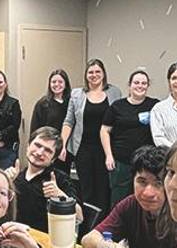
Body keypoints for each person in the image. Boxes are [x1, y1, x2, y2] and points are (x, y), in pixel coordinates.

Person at [80, 145, 177, 248]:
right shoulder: (130, 204)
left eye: (158, 183)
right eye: (142, 182)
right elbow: (88, 239)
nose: (148, 193)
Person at [62, 59, 123, 212]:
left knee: (104, 189)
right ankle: (87, 224)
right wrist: (62, 145)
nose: (94, 75)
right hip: (83, 148)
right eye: (90, 72)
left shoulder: (115, 92)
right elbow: (69, 121)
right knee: (86, 188)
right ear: (86, 75)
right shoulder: (77, 94)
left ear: (103, 74)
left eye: (97, 72)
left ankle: (102, 224)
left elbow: (119, 119)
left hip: (106, 149)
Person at [102, 70, 160, 208]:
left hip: (146, 164)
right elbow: (104, 130)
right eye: (136, 82)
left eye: (144, 83)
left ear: (147, 86)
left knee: (145, 201)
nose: (140, 86)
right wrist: (108, 155)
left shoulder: (155, 105)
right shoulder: (117, 106)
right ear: (129, 85)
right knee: (119, 202)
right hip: (121, 163)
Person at [11, 126, 81, 233]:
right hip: (14, 234)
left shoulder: (60, 179)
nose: (39, 153)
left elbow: (80, 217)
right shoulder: (16, 176)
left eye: (48, 150)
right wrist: (6, 186)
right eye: (37, 145)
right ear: (28, 146)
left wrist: (60, 196)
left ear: (53, 159)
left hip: (44, 240)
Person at [30, 69, 73, 174]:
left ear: (66, 84)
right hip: (47, 149)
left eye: (60, 82)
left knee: (64, 179)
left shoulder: (72, 102)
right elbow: (35, 129)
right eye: (53, 82)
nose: (56, 85)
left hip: (66, 149)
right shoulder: (42, 104)